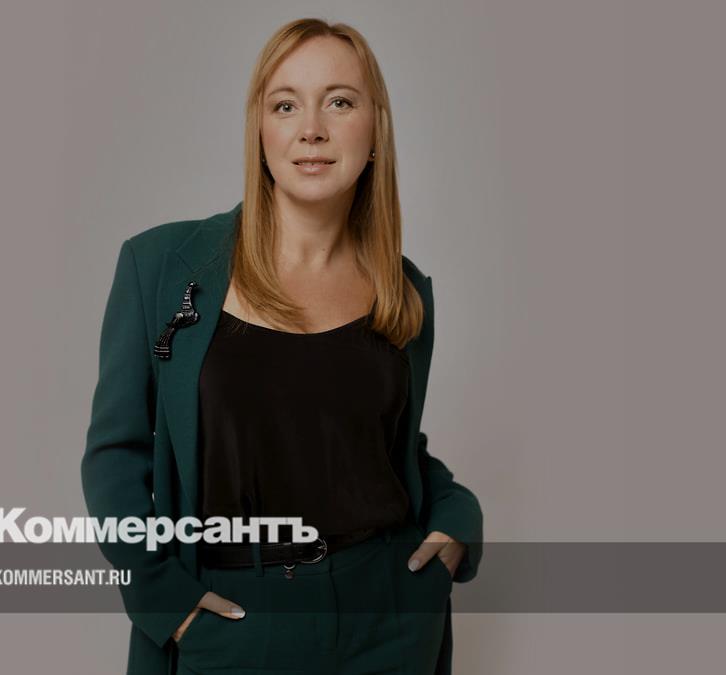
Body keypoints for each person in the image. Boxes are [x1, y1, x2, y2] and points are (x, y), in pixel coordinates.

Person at [81, 17, 483, 675]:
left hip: (389, 622)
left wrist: (458, 517)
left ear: (375, 130)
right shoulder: (161, 269)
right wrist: (165, 600)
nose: (311, 129)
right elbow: (115, 456)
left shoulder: (404, 292)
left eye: (340, 101)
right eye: (286, 104)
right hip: (235, 623)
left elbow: (386, 453)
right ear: (260, 130)